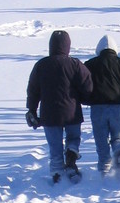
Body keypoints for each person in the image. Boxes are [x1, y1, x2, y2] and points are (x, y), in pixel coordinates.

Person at [26, 29, 93, 183]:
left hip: (49, 114)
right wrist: (83, 99)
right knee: (73, 137)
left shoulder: (41, 65)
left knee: (54, 144)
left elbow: (33, 89)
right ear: (67, 46)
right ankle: (71, 155)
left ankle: (57, 172)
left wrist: (32, 109)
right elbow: (87, 85)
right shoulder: (75, 64)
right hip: (72, 111)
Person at [84, 34, 120, 175]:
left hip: (97, 108)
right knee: (119, 136)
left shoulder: (90, 65)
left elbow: (82, 85)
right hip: (119, 107)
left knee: (100, 138)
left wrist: (86, 99)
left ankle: (104, 165)